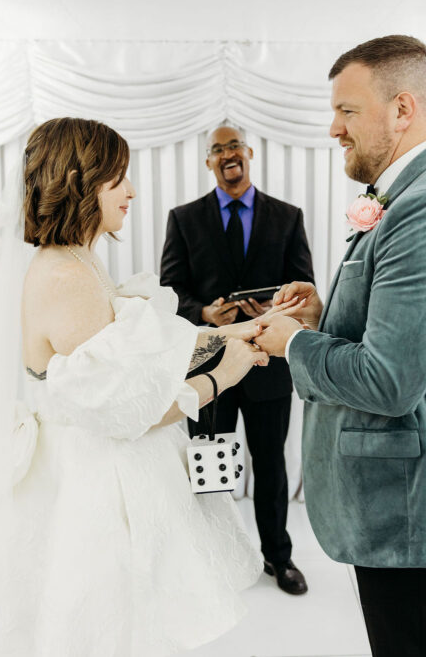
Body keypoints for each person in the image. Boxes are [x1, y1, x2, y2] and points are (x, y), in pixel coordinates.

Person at [0, 117, 274, 656]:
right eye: (119, 179)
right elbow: (129, 408)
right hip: (92, 479)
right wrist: (224, 373)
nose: (132, 191)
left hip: (96, 461)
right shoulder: (65, 275)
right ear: (80, 183)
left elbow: (141, 352)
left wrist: (227, 333)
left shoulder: (78, 259)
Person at [255, 36, 426, 656]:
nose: (333, 129)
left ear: (402, 110)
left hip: (415, 504)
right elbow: (396, 332)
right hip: (406, 500)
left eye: (347, 111)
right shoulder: (416, 193)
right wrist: (321, 315)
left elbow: (388, 381)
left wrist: (295, 344)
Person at [159, 124, 314, 595]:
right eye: (219, 149)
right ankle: (213, 557)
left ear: (249, 154)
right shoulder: (184, 219)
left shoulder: (287, 217)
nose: (229, 154)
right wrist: (203, 312)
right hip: (209, 370)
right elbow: (170, 292)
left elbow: (303, 288)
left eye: (236, 146)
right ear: (209, 162)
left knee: (270, 465)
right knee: (210, 465)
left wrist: (273, 309)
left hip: (270, 365)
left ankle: (278, 558)